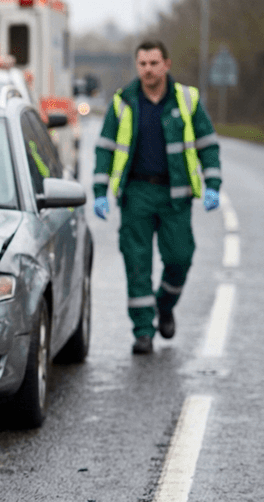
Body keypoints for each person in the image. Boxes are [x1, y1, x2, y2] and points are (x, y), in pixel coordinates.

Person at [92, 40, 222, 355]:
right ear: (137, 66)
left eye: (154, 63)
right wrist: (100, 192)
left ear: (166, 64)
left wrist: (213, 182)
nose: (148, 70)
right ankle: (143, 332)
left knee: (180, 257)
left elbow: (207, 143)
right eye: (142, 64)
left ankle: (164, 306)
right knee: (137, 263)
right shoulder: (124, 101)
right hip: (136, 193)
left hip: (175, 194)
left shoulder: (187, 100)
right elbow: (105, 147)